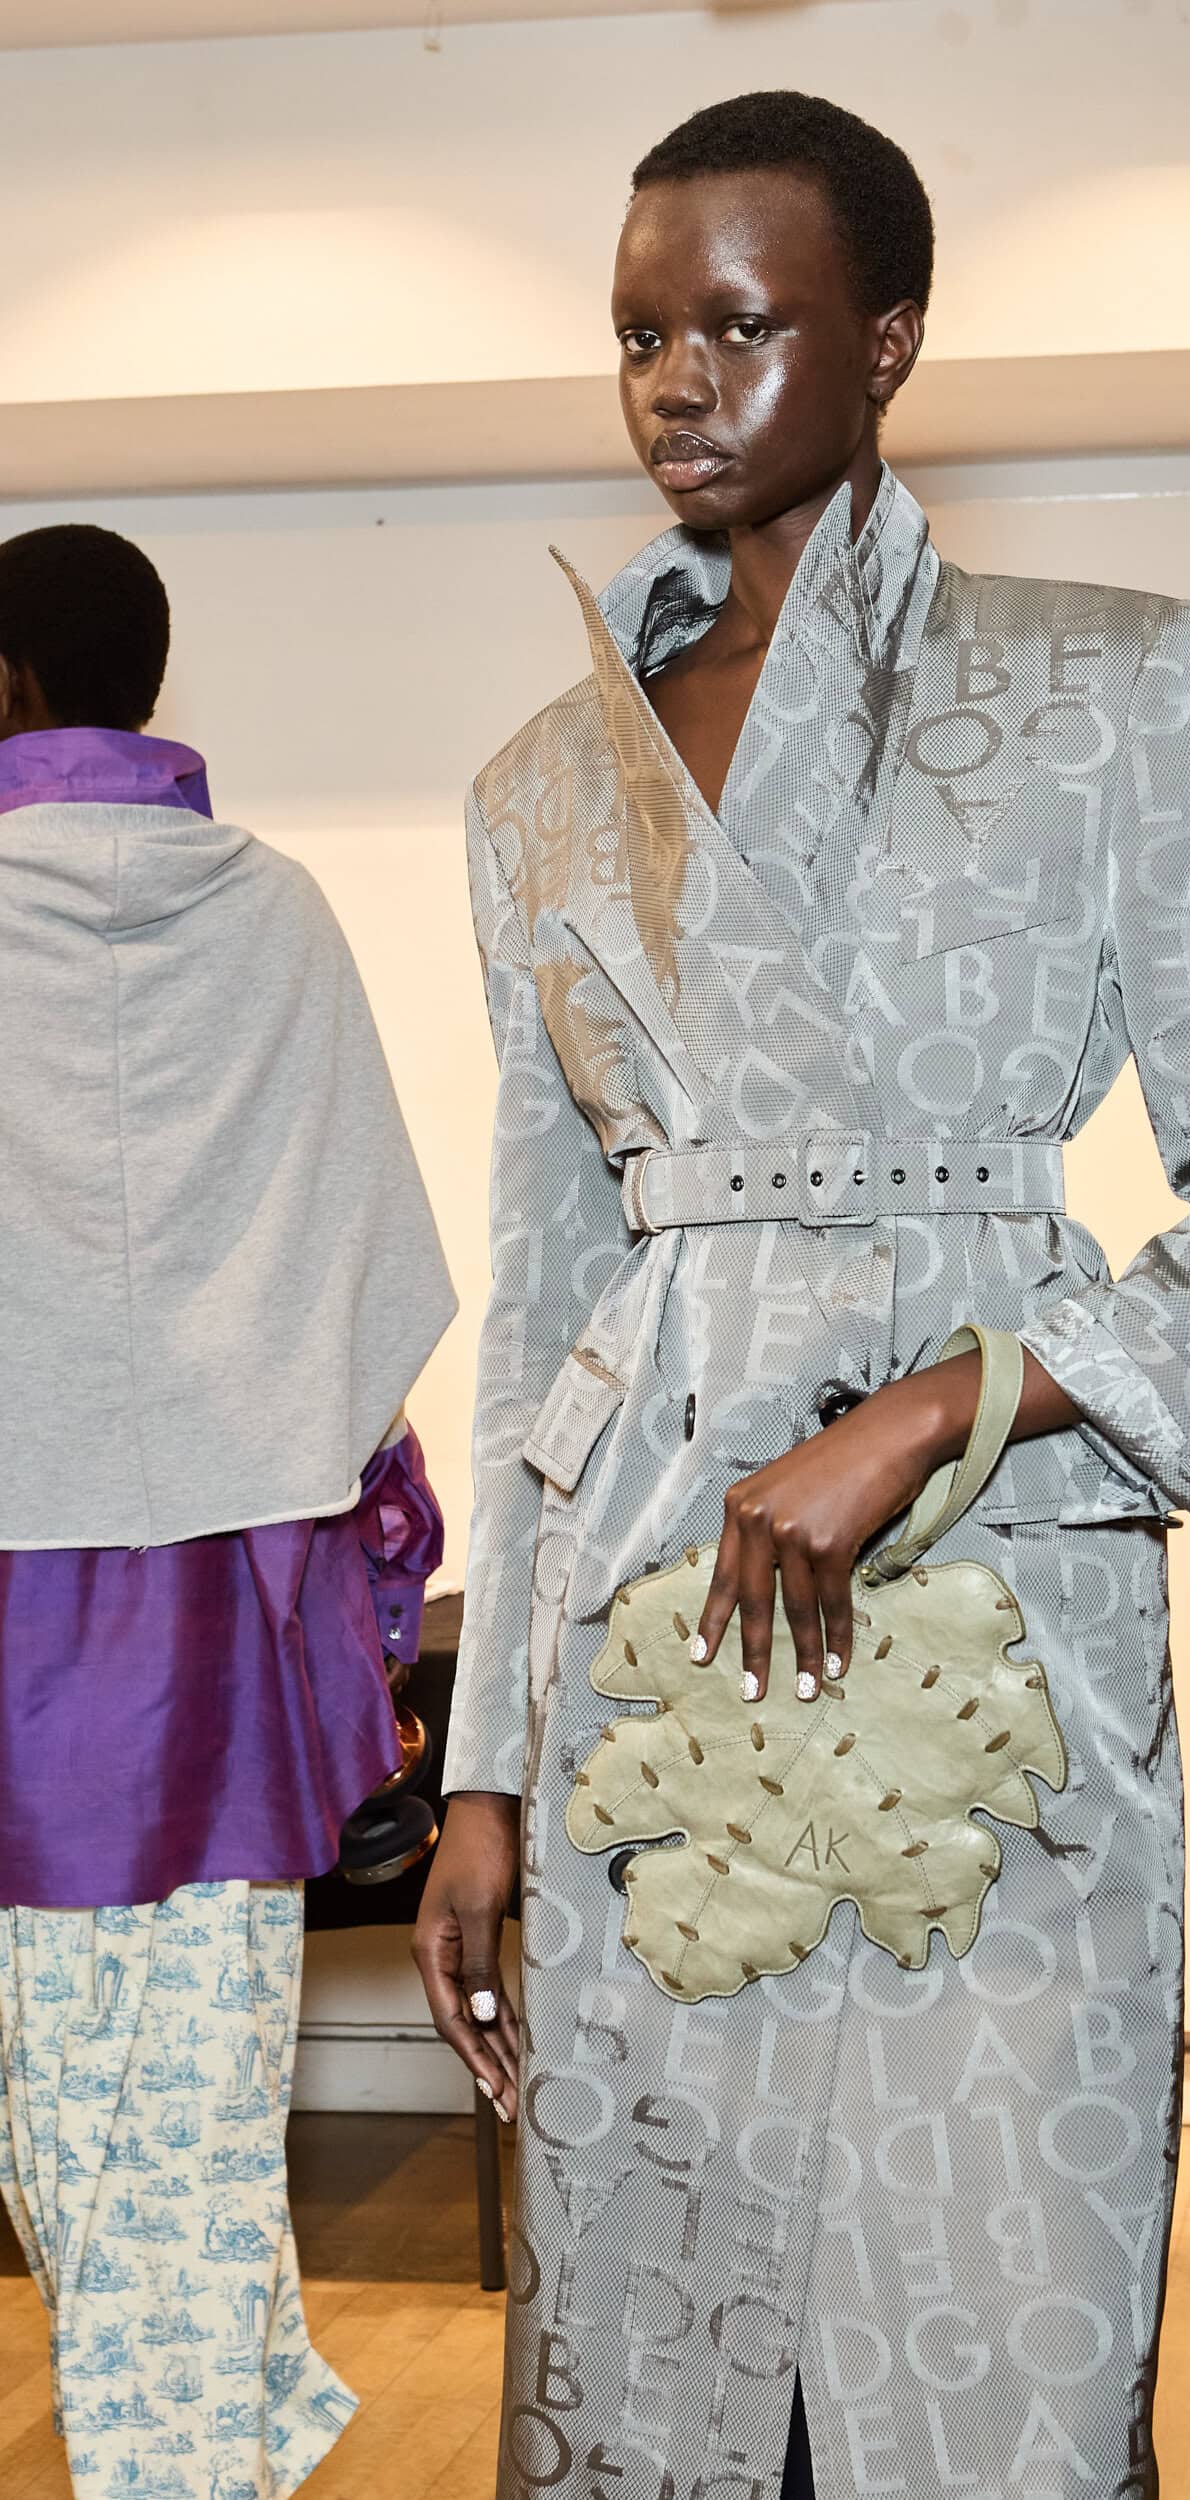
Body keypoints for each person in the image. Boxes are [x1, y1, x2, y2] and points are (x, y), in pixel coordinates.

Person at [416, 91, 1190, 2500]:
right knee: (660, 2357)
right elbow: (546, 1304)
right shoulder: (541, 789)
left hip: (996, 1622)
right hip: (647, 1627)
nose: (676, 381)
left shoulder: (1108, 684)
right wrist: (487, 1772)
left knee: (993, 2346)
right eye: (638, 331)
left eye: (740, 323)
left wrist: (946, 1403)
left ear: (889, 341)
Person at [0, 523, 457, 2497]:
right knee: (190, 2089)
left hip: (17, 1596)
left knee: (59, 2105)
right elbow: (366, 1265)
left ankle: (179, 2458)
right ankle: (235, 2424)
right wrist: (363, 1547)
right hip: (234, 1601)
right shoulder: (277, 914)